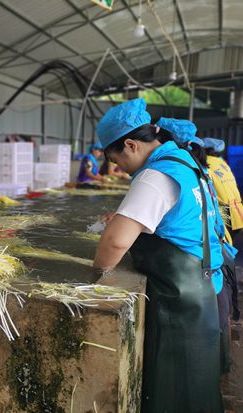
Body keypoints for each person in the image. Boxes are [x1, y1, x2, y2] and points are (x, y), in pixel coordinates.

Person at [93, 98, 224, 413]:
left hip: (180, 303)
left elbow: (114, 243)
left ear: (131, 145)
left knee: (174, 388)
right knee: (194, 387)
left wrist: (96, 274)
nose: (117, 169)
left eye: (115, 159)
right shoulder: (184, 162)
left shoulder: (156, 177)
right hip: (202, 288)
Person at [156, 118, 239, 374]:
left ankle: (215, 370)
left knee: (216, 315)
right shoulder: (207, 166)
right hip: (221, 242)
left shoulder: (186, 170)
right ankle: (220, 367)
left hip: (210, 252)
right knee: (220, 312)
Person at [203, 137, 243, 239]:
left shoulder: (205, 163)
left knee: (221, 246)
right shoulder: (222, 163)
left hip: (223, 211)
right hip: (237, 211)